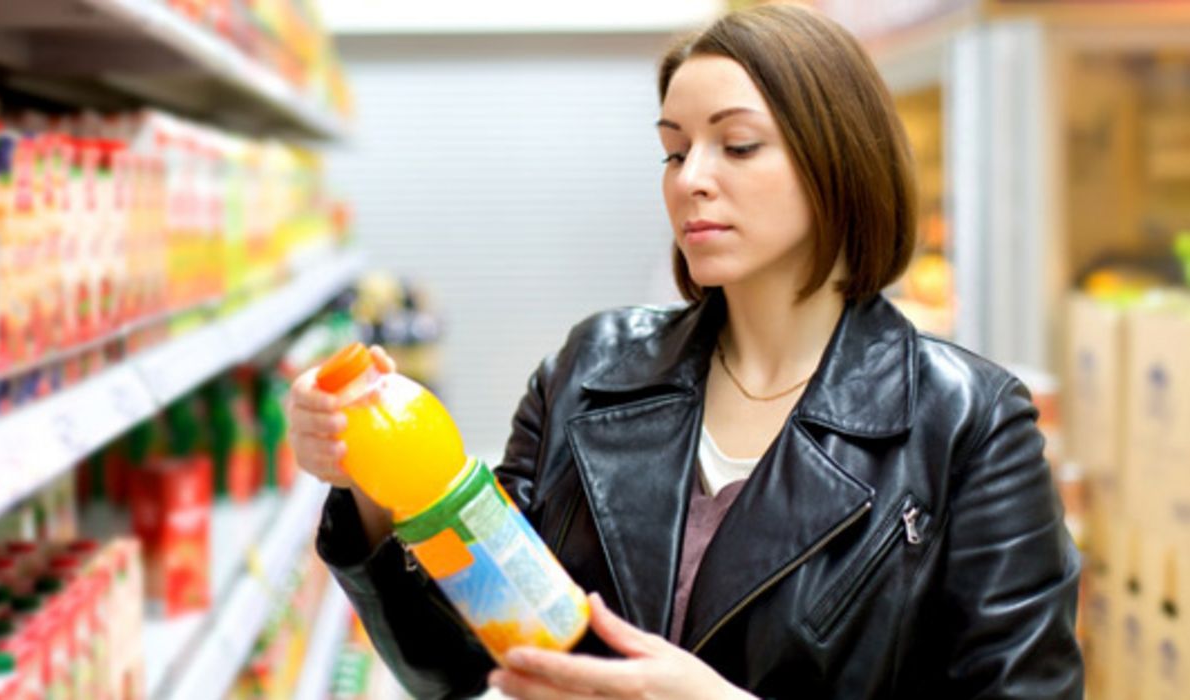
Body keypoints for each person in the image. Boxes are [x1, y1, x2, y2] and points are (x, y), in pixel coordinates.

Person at [287, 4, 1083, 698]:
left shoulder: (967, 423)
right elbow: (453, 666)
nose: (689, 179)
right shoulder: (589, 371)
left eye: (736, 146)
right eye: (673, 150)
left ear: (837, 159)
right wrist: (373, 487)